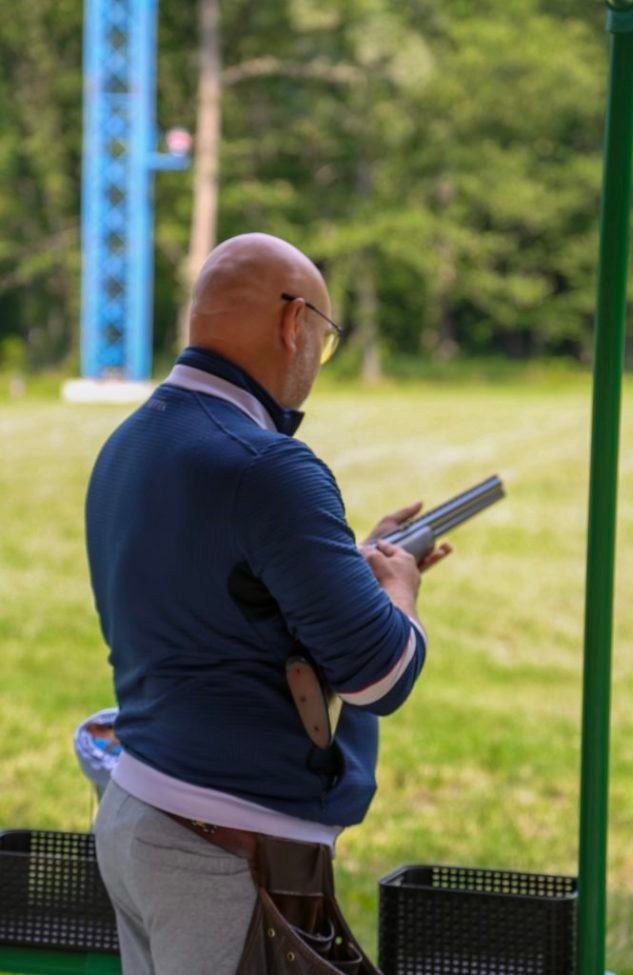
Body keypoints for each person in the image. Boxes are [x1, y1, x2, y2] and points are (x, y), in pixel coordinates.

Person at [87, 233, 451, 975]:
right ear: (294, 323)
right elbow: (380, 676)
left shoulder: (131, 441)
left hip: (139, 811)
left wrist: (341, 568)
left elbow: (219, 588)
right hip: (226, 846)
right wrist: (398, 590)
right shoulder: (269, 465)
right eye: (326, 336)